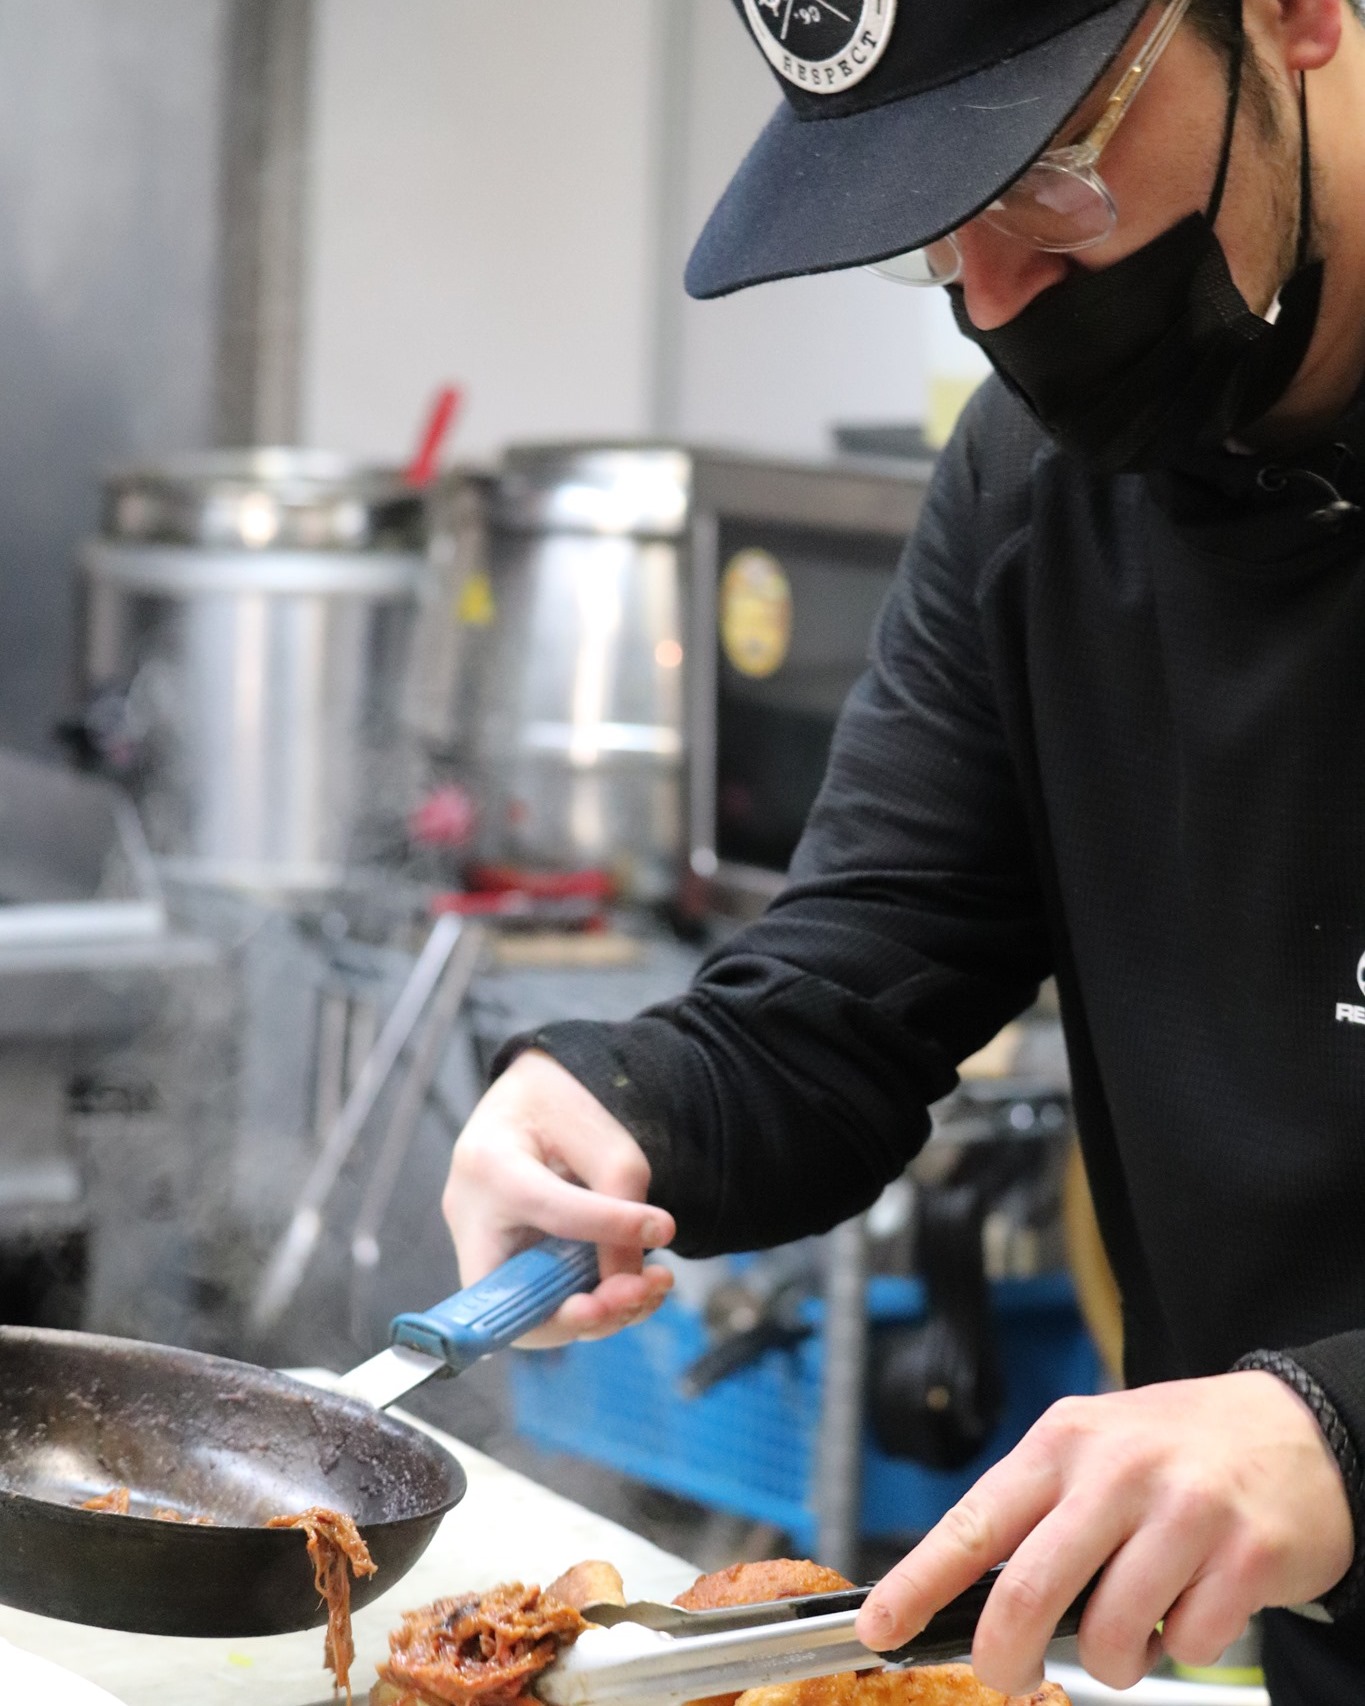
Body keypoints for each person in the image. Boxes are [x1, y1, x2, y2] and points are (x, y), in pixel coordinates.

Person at [444, 0, 1365, 1699]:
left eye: (1048, 175)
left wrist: (1337, 1427)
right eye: (928, 230)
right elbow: (841, 1000)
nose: (992, 300)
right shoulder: (1036, 490)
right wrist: (618, 1100)